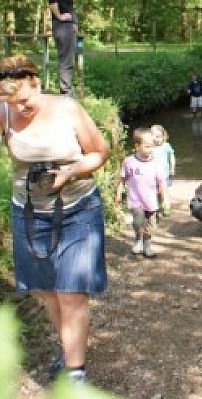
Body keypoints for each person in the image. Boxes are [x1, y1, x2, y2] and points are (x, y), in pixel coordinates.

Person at [0, 54, 109, 385]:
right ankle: (69, 347)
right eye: (11, 102)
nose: (20, 108)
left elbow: (99, 152)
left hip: (78, 209)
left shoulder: (66, 108)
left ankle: (75, 373)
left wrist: (71, 170)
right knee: (48, 291)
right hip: (29, 213)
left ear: (37, 83)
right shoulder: (4, 110)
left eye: (24, 100)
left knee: (71, 292)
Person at [114, 128, 169, 258]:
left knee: (151, 225)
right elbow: (122, 179)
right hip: (135, 200)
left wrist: (165, 199)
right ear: (137, 146)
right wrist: (118, 194)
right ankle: (139, 239)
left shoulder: (156, 162)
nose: (151, 149)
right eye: (147, 146)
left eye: (152, 146)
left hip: (151, 200)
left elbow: (162, 182)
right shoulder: (129, 162)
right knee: (138, 221)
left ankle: (147, 243)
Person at [48, 0, 83, 96]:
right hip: (63, 28)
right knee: (66, 61)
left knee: (68, 60)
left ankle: (67, 91)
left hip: (68, 29)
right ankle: (66, 93)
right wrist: (59, 16)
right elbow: (52, 0)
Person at [151, 124, 175, 212]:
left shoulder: (166, 146)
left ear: (163, 136)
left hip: (164, 173)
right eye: (155, 137)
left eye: (159, 137)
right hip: (153, 174)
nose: (157, 139)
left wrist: (172, 167)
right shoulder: (150, 147)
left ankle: (166, 206)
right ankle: (157, 205)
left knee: (165, 190)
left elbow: (171, 157)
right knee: (155, 190)